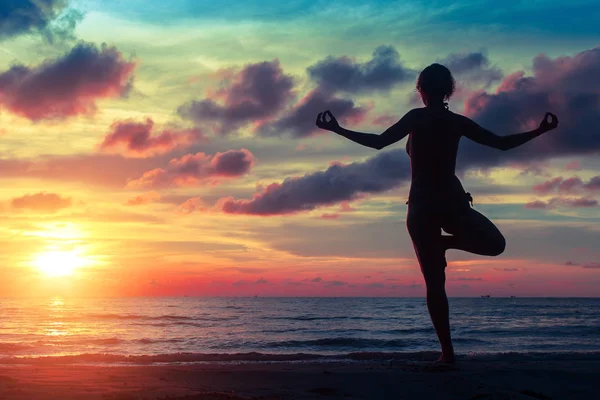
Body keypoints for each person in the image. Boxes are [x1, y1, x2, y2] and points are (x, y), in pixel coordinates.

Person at [315, 63, 559, 364]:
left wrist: (338, 129)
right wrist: (540, 130)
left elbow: (378, 142)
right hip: (450, 201)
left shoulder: (418, 118)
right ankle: (447, 348)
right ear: (449, 90)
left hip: (422, 206)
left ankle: (448, 353)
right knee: (495, 244)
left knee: (435, 283)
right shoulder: (456, 122)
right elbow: (501, 144)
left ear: (421, 90)